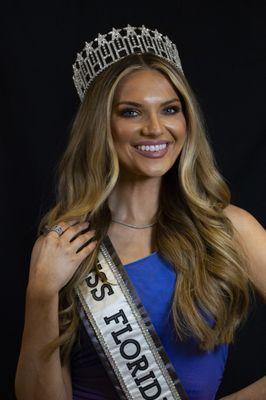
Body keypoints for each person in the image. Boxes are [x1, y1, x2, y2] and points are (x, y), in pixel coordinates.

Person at [15, 25, 266, 400]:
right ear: (102, 126)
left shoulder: (228, 229)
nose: (154, 128)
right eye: (131, 112)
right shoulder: (64, 244)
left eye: (170, 109)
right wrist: (41, 294)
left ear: (186, 121)